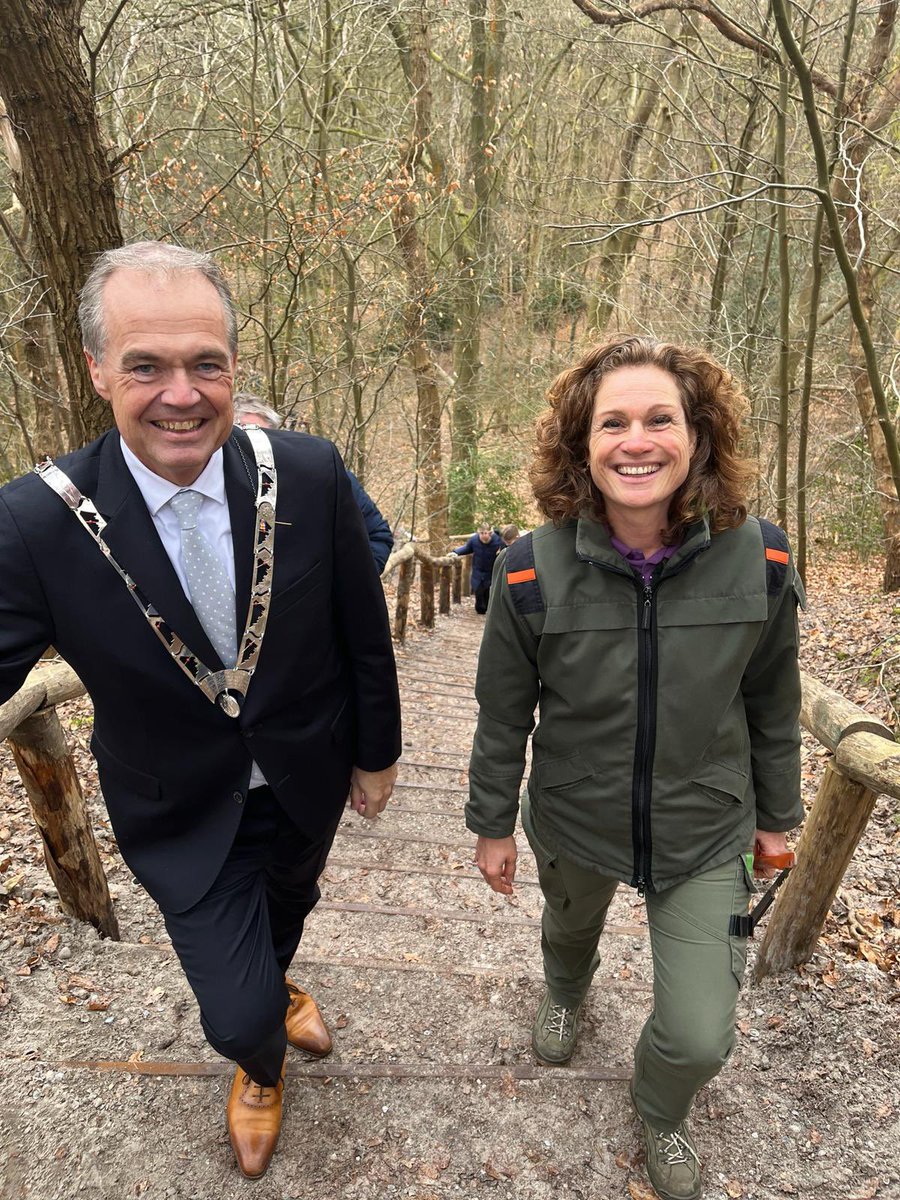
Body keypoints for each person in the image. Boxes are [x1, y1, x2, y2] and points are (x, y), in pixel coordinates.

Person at [0, 242, 401, 1180]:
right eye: (146, 365)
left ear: (232, 366)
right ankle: (258, 1059)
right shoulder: (35, 521)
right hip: (175, 805)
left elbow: (360, 626)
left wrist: (375, 754)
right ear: (97, 369)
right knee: (235, 1011)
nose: (181, 393)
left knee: (287, 912)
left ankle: (274, 985)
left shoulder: (304, 473)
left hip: (307, 773)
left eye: (205, 364)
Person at [466, 335, 803, 1200]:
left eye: (660, 418)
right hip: (576, 817)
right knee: (568, 932)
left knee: (699, 1036)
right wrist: (492, 823)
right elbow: (505, 712)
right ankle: (567, 993)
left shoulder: (760, 559)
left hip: (704, 828)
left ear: (698, 436)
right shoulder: (529, 568)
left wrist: (777, 818)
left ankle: (660, 1108)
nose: (636, 440)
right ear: (583, 443)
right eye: (612, 421)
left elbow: (772, 700)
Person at [233, 393, 394, 573]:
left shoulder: (324, 478)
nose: (255, 448)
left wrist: (344, 588)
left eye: (262, 436)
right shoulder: (218, 495)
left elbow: (378, 536)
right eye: (244, 440)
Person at [452, 523, 504, 614]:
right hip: (478, 570)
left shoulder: (498, 541)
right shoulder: (474, 540)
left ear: (490, 533)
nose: (484, 535)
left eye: (486, 533)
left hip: (490, 570)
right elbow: (467, 548)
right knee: (478, 590)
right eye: (482, 533)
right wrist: (456, 552)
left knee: (487, 591)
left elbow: (506, 547)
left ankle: (487, 609)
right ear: (478, 533)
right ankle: (480, 609)